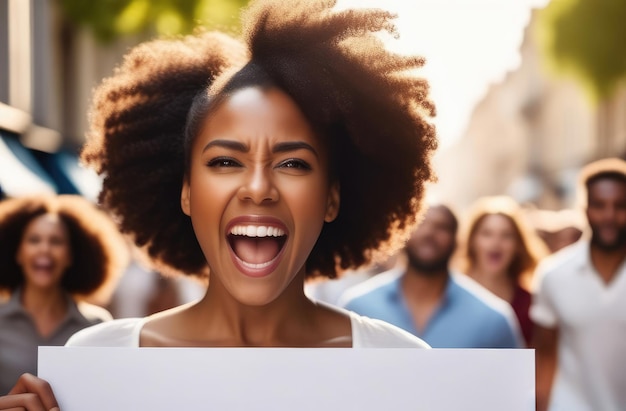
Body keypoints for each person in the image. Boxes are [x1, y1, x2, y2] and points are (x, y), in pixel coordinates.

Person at [0, 0, 438, 408]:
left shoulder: (402, 365)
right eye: (226, 161)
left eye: (293, 163)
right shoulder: (96, 365)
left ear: (332, 197)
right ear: (186, 191)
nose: (258, 187)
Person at [339, 204, 523, 348]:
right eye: (419, 223)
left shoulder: (494, 319)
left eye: (442, 227)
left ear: (456, 240)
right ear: (402, 232)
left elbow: (513, 391)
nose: (429, 233)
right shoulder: (355, 308)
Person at [0, 194, 127, 395]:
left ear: (71, 256)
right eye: (34, 240)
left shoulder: (96, 325)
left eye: (56, 241)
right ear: (17, 253)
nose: (45, 249)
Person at [532, 158, 626, 411]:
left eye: (620, 206)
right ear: (585, 209)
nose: (609, 216)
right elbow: (545, 354)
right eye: (599, 205)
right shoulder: (553, 274)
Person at [454, 195, 548, 346]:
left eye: (506, 235)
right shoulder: (450, 296)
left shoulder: (531, 305)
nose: (496, 243)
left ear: (518, 245)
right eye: (487, 234)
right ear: (472, 241)